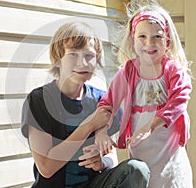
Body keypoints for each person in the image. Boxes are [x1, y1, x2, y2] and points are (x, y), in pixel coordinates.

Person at [21, 21, 150, 188]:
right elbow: (46, 167)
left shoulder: (101, 100)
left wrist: (102, 162)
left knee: (137, 169)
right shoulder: (39, 100)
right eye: (73, 54)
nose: (82, 62)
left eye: (88, 56)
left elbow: (111, 155)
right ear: (58, 59)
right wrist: (89, 125)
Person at [95, 0, 193, 188]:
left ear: (168, 41)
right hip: (141, 149)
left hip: (168, 150)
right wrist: (101, 131)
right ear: (133, 39)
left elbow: (179, 99)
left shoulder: (172, 70)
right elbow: (107, 104)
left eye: (157, 36)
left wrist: (150, 126)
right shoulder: (128, 72)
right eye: (142, 37)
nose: (149, 43)